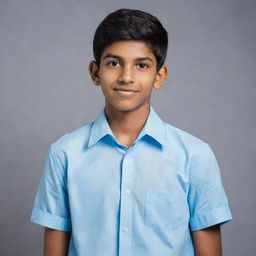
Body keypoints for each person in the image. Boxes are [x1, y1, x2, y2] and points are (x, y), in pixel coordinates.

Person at [30, 8, 232, 256]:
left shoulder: (195, 156)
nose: (126, 76)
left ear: (159, 76)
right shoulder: (64, 154)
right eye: (114, 63)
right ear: (95, 72)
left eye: (142, 65)